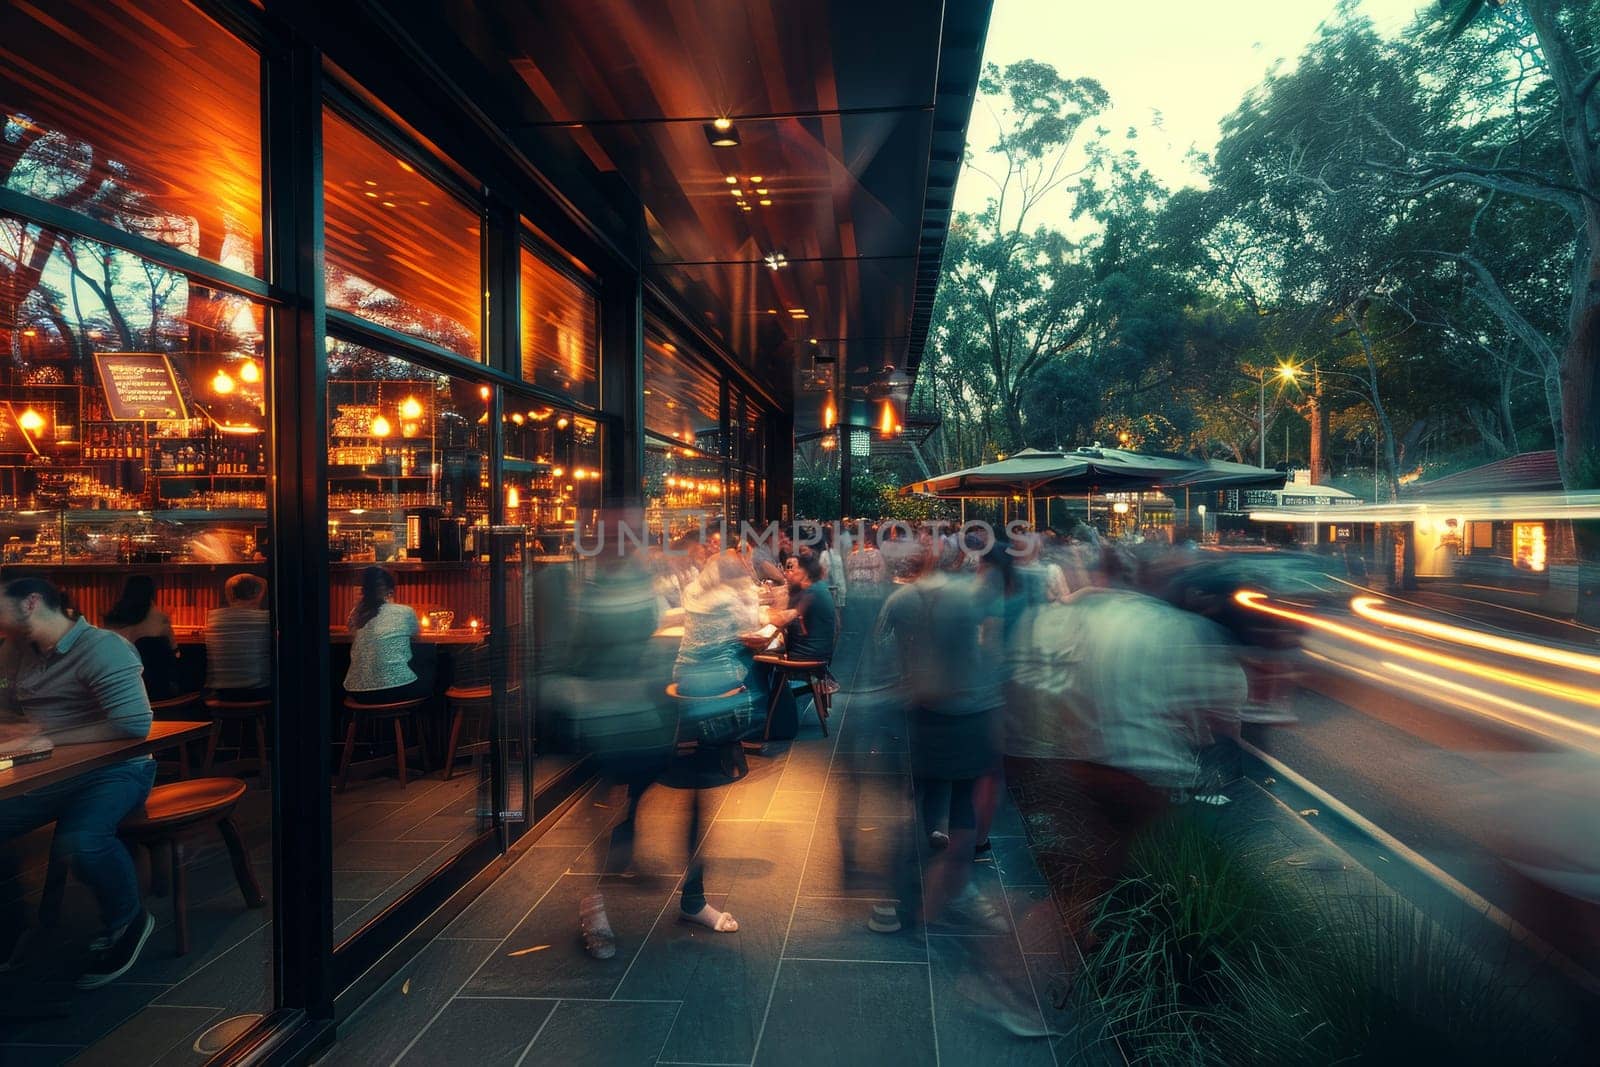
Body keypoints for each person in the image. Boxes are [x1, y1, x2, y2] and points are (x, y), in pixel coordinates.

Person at [0, 577, 157, 988]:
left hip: (117, 769)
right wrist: (16, 733)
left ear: (30, 602)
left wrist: (48, 737)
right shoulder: (14, 652)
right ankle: (14, 932)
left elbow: (134, 723)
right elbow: (4, 708)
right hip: (42, 771)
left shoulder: (102, 646)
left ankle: (128, 920)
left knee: (82, 841)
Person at [343, 566, 423, 704]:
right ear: (390, 590)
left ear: (364, 591)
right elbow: (417, 636)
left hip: (357, 693)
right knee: (429, 662)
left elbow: (350, 628)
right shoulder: (405, 612)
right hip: (395, 690)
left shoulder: (358, 615)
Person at [103, 574, 180, 700]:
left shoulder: (112, 620)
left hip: (118, 690)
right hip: (156, 691)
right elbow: (175, 653)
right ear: (152, 594)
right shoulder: (160, 619)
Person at [204, 573, 272, 701]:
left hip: (222, 693)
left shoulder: (215, 618)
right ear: (258, 593)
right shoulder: (265, 619)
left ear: (230, 594)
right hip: (258, 691)